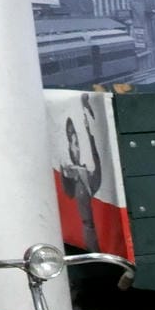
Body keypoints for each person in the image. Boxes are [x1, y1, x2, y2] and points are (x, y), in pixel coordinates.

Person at [57, 93, 105, 250]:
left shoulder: (89, 174)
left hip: (97, 237)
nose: (73, 147)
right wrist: (66, 173)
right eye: (71, 142)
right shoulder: (73, 174)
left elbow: (96, 169)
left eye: (76, 141)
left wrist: (88, 130)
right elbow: (68, 193)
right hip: (81, 239)